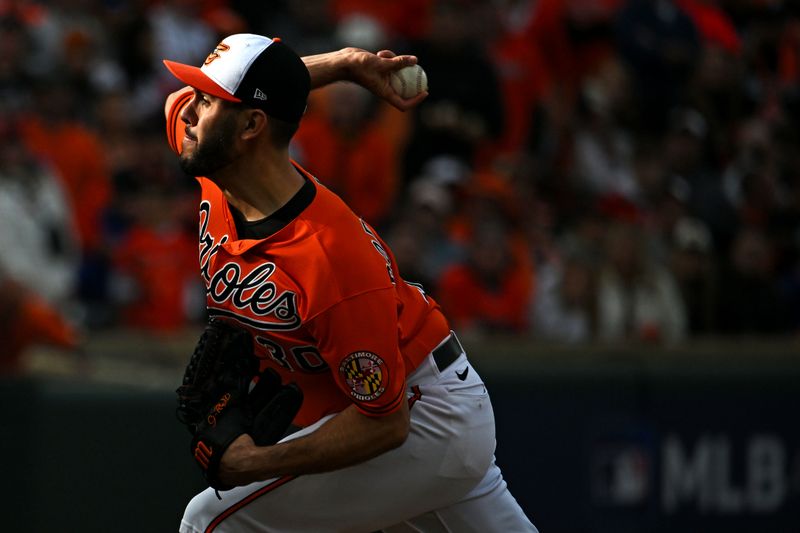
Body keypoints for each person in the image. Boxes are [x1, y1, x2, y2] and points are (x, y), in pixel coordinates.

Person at [162, 33, 537, 532]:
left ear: (252, 125)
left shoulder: (331, 258)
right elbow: (195, 100)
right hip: (428, 409)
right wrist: (338, 66)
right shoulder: (219, 165)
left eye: (207, 100)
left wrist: (250, 463)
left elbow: (385, 422)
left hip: (419, 417)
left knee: (210, 521)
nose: (187, 112)